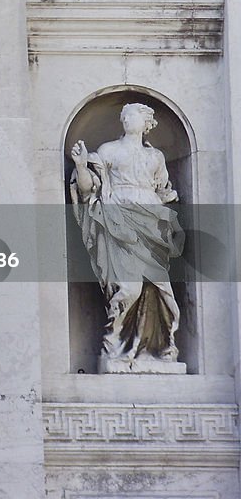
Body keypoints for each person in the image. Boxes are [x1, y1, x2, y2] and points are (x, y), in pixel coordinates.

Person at [69, 102, 185, 368]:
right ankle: (115, 344)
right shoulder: (109, 151)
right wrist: (81, 165)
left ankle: (157, 346)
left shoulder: (156, 157)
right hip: (118, 220)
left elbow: (165, 193)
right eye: (124, 115)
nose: (127, 119)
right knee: (129, 287)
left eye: (132, 115)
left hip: (151, 221)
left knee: (160, 289)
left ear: (146, 123)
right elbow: (88, 191)